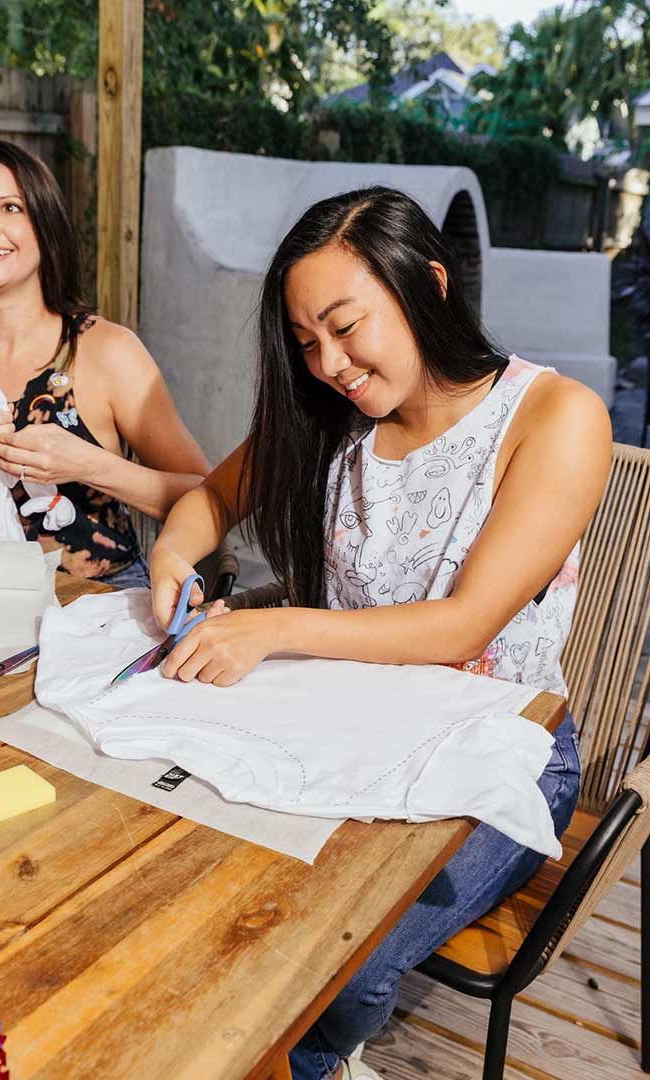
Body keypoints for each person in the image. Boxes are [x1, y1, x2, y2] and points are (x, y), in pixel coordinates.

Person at [149, 187, 612, 1079]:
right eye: (305, 340)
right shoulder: (332, 417)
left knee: (342, 963)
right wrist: (175, 551)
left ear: (428, 285)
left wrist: (270, 628)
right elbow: (211, 497)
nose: (329, 362)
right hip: (344, 722)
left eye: (345, 325)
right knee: (200, 885)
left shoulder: (557, 418)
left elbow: (464, 626)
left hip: (501, 754)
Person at [0, 139, 209, 588]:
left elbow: (210, 495)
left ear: (46, 223)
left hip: (102, 610)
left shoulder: (106, 350)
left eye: (10, 208)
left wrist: (90, 465)